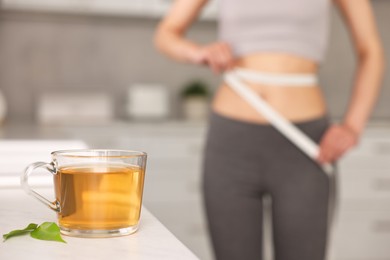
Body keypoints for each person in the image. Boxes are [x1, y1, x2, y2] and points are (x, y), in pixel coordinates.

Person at [154, 0, 384, 259]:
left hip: (305, 144)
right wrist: (196, 52)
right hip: (231, 143)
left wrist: (353, 125)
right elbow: (167, 32)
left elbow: (370, 50)